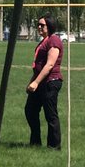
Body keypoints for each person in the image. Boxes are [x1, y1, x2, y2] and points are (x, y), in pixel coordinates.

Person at [25, 15, 62, 150]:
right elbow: (38, 66)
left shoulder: (54, 40)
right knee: (30, 110)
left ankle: (54, 146)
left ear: (50, 26)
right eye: (38, 24)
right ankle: (35, 142)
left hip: (50, 82)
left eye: (42, 25)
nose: (39, 27)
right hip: (40, 82)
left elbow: (50, 64)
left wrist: (36, 82)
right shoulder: (43, 41)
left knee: (50, 115)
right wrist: (32, 82)